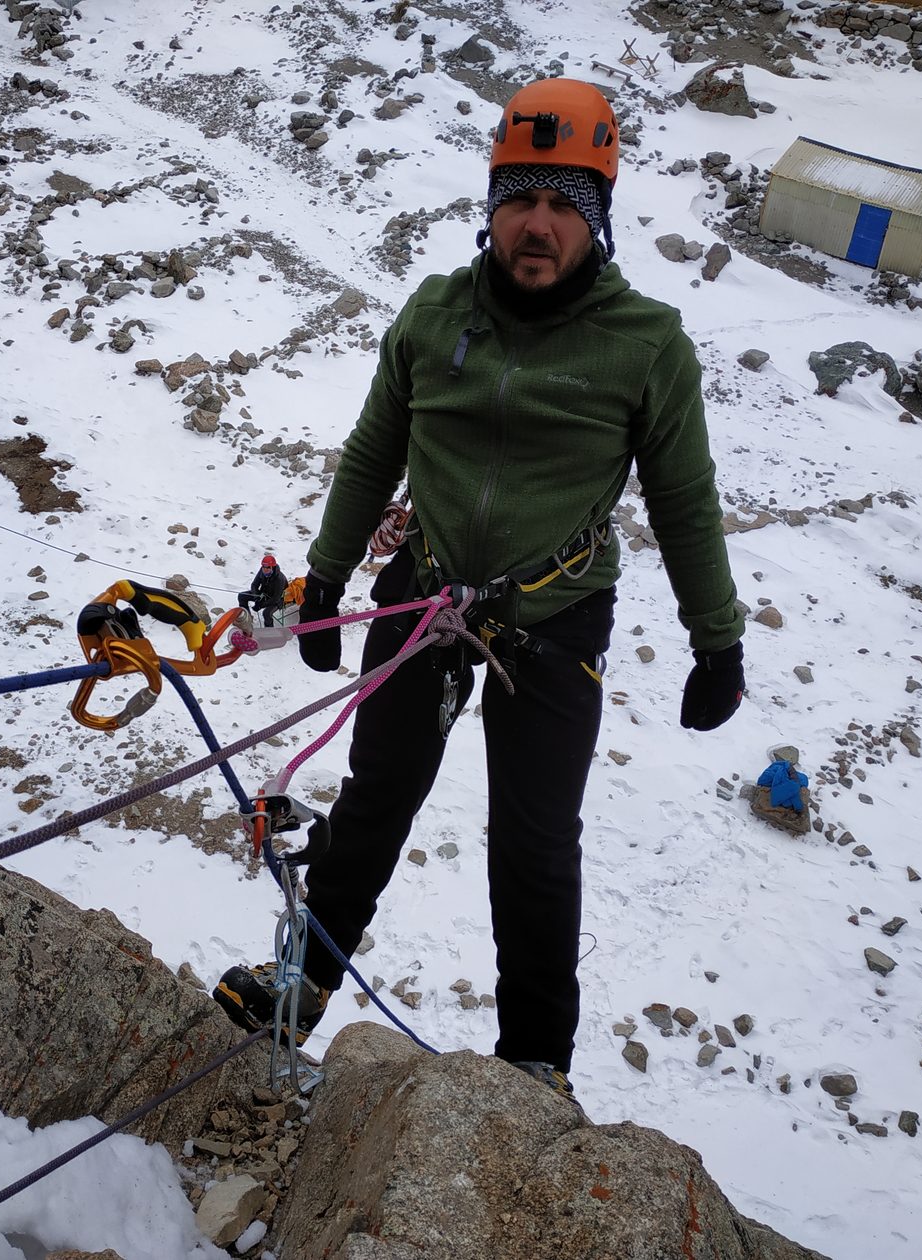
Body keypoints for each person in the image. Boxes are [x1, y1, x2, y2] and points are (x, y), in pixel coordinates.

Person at [214, 78, 745, 1103]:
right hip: (426, 595)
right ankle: (305, 980)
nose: (538, 226)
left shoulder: (646, 346)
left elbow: (685, 498)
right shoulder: (435, 314)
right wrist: (326, 581)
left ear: (597, 219)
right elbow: (375, 448)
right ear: (492, 205)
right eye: (520, 199)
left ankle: (537, 1060)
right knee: (375, 799)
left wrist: (715, 640)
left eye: (565, 204)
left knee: (536, 843)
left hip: (556, 617)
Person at [238, 553, 291, 627]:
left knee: (266, 613)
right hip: (264, 594)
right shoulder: (262, 571)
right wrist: (257, 598)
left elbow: (276, 598)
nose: (265, 569)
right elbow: (254, 585)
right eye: (263, 567)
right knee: (242, 596)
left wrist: (261, 605)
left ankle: (269, 631)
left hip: (278, 600)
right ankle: (247, 620)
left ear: (273, 567)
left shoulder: (279, 579)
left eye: (268, 567)